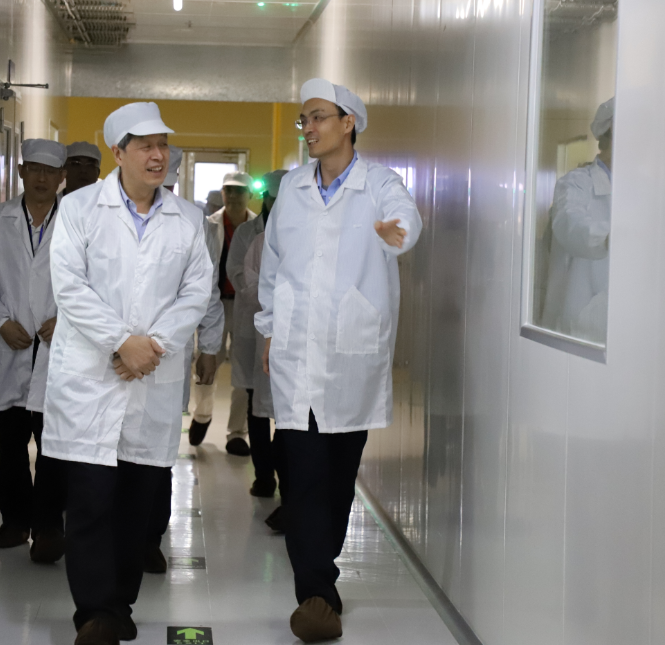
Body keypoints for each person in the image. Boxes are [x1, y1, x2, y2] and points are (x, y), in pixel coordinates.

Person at [256, 78, 422, 643]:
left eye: (318, 117)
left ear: (348, 122)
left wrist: (395, 232)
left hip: (351, 354)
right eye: (303, 119)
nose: (308, 128)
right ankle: (315, 594)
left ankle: (321, 576)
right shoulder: (293, 187)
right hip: (295, 351)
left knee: (337, 480)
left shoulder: (380, 183)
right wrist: (268, 328)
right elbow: (273, 263)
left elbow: (406, 221)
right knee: (300, 474)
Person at [43, 102, 213, 645]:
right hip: (91, 379)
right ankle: (95, 613)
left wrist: (151, 347)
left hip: (150, 378)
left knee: (136, 506)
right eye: (145, 146)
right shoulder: (80, 208)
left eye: (162, 144)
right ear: (118, 153)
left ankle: (119, 605)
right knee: (90, 501)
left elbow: (196, 291)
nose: (158, 155)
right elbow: (69, 286)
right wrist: (121, 341)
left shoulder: (187, 218)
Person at [0, 138, 68, 563]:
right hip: (9, 344)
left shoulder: (78, 223)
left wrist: (68, 320)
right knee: (11, 443)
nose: (42, 178)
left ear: (61, 178)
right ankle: (15, 521)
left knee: (54, 445)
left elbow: (97, 280)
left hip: (58, 348)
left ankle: (48, 527)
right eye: (34, 169)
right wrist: (1, 322)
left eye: (50, 171)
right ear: (21, 172)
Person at [142, 145, 223, 576]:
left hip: (168, 356)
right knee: (113, 451)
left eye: (168, 184)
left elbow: (206, 292)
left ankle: (149, 538)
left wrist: (209, 347)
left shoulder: (193, 224)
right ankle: (117, 534)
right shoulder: (104, 217)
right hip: (114, 354)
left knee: (159, 450)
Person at [227, 169, 287, 497]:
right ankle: (264, 474)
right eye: (274, 199)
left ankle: (281, 467)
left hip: (288, 331)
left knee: (285, 404)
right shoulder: (247, 233)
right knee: (255, 399)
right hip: (253, 326)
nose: (278, 205)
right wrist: (269, 299)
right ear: (265, 198)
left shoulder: (299, 230)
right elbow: (238, 273)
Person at [188, 171, 257, 455]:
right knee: (207, 363)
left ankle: (237, 433)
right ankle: (202, 415)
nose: (234, 196)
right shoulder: (209, 225)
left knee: (244, 371)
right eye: (229, 190)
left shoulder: (257, 227)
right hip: (215, 305)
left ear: (249, 195)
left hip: (247, 306)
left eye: (240, 191)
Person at [541, 97, 614, 343]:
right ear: (612, 130)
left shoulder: (643, 188)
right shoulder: (576, 183)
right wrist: (608, 238)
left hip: (621, 324)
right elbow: (568, 224)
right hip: (577, 321)